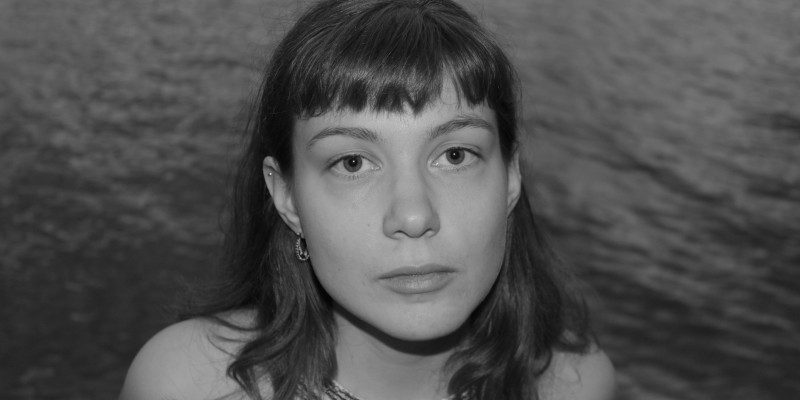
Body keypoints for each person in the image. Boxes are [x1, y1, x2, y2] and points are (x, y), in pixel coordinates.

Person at [119, 0, 615, 399]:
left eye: (455, 155)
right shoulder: (185, 384)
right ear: (286, 196)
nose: (414, 215)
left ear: (510, 177)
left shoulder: (577, 386)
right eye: (353, 163)